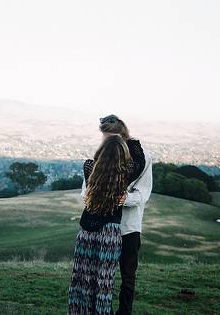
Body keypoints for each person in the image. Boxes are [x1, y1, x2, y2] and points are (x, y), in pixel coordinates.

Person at [81, 115, 153, 315]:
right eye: (105, 138)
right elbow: (85, 191)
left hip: (129, 226)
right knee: (100, 275)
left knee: (128, 276)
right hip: (103, 227)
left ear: (123, 137)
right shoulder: (98, 157)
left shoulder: (143, 158)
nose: (107, 143)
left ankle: (124, 311)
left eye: (111, 139)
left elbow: (144, 192)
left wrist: (125, 199)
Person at [68, 135, 134, 315]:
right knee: (103, 283)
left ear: (101, 151)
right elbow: (137, 159)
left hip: (86, 231)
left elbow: (94, 164)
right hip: (109, 232)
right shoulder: (126, 171)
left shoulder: (89, 167)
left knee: (83, 280)